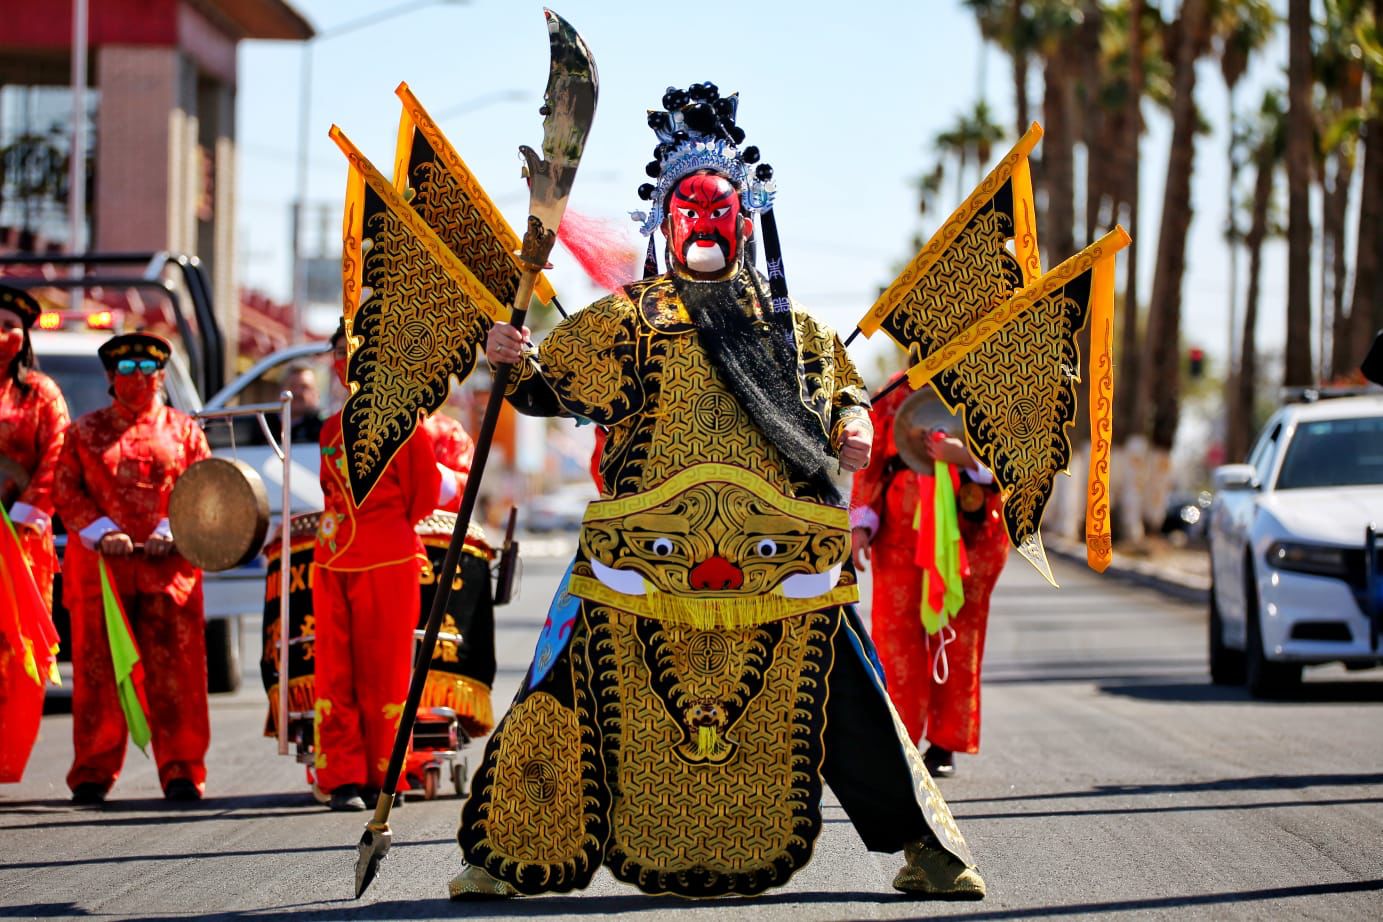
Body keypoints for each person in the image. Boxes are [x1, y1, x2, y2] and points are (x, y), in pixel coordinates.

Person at [452, 83, 984, 900]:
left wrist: (855, 425)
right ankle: (499, 857)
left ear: (746, 216)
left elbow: (845, 393)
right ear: (664, 221)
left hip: (773, 561)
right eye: (687, 206)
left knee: (849, 692)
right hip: (644, 556)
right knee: (559, 678)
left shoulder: (792, 328)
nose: (703, 220)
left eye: (718, 205)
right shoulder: (622, 320)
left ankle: (926, 847)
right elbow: (549, 391)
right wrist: (510, 356)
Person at [53, 331, 211, 803]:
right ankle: (92, 771)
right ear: (109, 377)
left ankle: (183, 769)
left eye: (146, 369)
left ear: (161, 375)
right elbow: (65, 490)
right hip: (104, 572)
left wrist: (170, 529)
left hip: (169, 571)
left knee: (177, 673)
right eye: (126, 370)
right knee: (99, 673)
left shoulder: (185, 431)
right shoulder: (83, 432)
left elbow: (203, 489)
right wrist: (102, 530)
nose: (137, 378)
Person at [850, 379, 1008, 778]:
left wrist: (967, 458)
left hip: (968, 533)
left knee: (957, 635)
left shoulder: (993, 388)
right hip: (900, 532)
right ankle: (899, 736)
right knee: (894, 636)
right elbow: (871, 467)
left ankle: (943, 744)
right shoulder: (894, 393)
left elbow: (1015, 466)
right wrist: (861, 526)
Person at [312, 322, 441, 811]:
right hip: (331, 559)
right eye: (340, 351)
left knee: (385, 673)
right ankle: (341, 776)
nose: (346, 359)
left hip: (388, 558)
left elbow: (423, 494)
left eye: (355, 349)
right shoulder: (328, 428)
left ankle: (384, 777)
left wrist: (381, 529)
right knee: (334, 671)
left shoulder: (407, 420)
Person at [0, 284, 70, 783]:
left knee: (17, 647)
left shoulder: (42, 393)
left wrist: (29, 509)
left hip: (23, 541)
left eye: (9, 326)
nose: (1, 335)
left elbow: (58, 453)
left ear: (23, 336)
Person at [282, 362, 324, 444]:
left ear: (316, 393)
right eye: (292, 386)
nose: (297, 392)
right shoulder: (263, 426)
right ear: (281, 390)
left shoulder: (325, 427)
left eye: (304, 387)